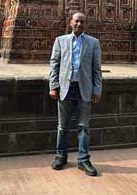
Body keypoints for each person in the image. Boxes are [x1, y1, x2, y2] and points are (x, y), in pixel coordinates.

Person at [48, 12, 102, 176]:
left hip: (83, 88)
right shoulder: (61, 41)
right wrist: (53, 86)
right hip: (65, 87)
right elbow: (54, 64)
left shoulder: (93, 43)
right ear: (71, 22)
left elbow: (96, 69)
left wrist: (97, 89)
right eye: (77, 21)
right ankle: (60, 156)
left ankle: (83, 160)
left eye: (82, 22)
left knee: (83, 127)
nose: (79, 24)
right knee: (62, 126)